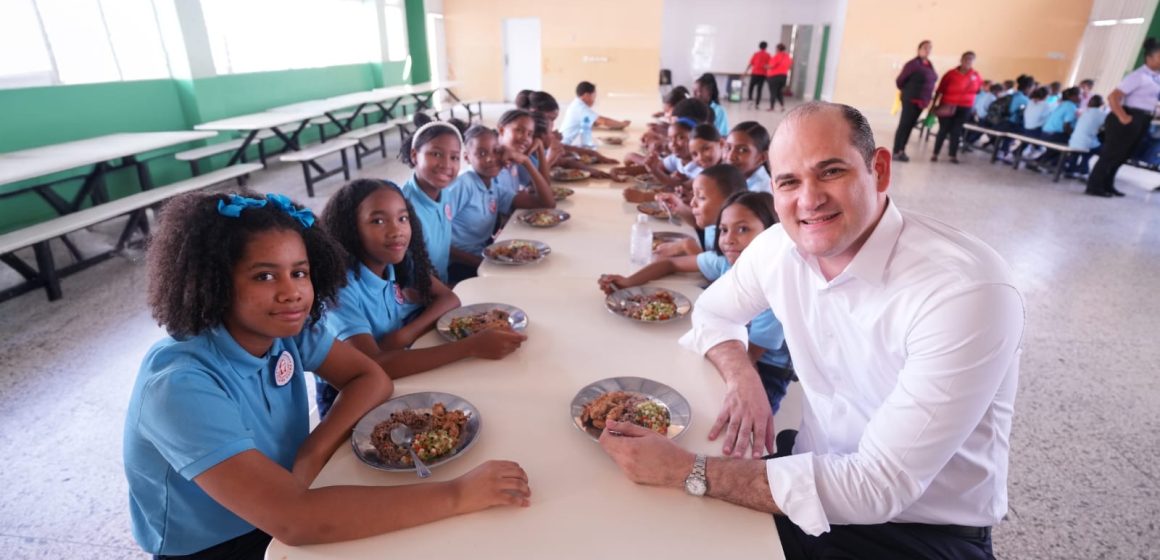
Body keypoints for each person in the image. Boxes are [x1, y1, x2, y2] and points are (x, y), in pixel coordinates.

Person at [597, 101, 1023, 559]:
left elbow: (880, 486)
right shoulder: (780, 247)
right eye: (789, 181)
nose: (809, 199)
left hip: (918, 528)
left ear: (879, 169)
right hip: (811, 466)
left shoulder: (964, 290)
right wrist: (743, 378)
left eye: (831, 171)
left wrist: (688, 470)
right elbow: (713, 314)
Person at [124, 191, 532, 558]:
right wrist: (458, 493)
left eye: (299, 272)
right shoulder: (179, 386)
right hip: (218, 543)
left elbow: (371, 378)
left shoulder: (285, 329)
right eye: (265, 276)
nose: (292, 292)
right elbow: (296, 521)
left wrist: (311, 451)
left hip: (295, 488)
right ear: (211, 281)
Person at [317, 179, 526, 412]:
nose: (396, 230)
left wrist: (404, 335)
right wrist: (471, 346)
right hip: (345, 396)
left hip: (395, 365)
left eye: (402, 218)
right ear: (351, 228)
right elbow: (374, 365)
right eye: (378, 221)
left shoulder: (396, 261)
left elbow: (449, 298)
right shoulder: (340, 290)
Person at [598, 191, 792, 413]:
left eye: (743, 229)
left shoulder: (774, 291)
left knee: (736, 420)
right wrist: (628, 282)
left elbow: (749, 358)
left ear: (770, 237)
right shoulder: (724, 262)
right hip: (730, 348)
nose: (729, 239)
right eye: (724, 230)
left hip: (766, 369)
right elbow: (671, 264)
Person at [447, 122, 555, 282]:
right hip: (458, 265)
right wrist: (484, 264)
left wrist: (526, 161)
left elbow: (547, 203)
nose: (491, 158)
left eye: (496, 151)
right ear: (467, 157)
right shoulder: (464, 185)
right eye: (481, 153)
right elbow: (437, 242)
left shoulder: (493, 186)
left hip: (483, 256)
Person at [1086, 38, 1160, 198]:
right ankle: (1094, 185)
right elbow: (1113, 97)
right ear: (1150, 57)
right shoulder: (1138, 76)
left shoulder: (1155, 77)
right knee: (1111, 153)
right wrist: (1123, 116)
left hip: (1143, 118)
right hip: (1127, 116)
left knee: (1124, 154)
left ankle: (1107, 184)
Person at [400, 113, 468, 282]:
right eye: (436, 154)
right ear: (415, 155)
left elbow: (441, 248)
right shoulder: (403, 207)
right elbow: (406, 276)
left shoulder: (444, 192)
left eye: (454, 157)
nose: (446, 164)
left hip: (443, 286)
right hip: (418, 301)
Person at [652, 163, 748, 257]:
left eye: (701, 197)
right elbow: (698, 224)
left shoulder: (735, 241)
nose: (692, 203)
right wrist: (678, 206)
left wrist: (688, 247)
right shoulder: (714, 222)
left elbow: (718, 271)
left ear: (728, 202)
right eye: (694, 195)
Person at [930, 51, 981, 163]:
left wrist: (974, 108)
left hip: (964, 107)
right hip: (947, 105)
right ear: (961, 59)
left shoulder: (976, 75)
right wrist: (933, 106)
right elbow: (940, 90)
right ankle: (935, 153)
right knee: (943, 130)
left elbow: (977, 91)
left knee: (956, 131)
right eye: (966, 58)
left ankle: (952, 155)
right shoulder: (951, 74)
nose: (968, 61)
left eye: (971, 59)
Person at [891, 40, 938, 162]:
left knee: (910, 126)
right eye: (925, 48)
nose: (927, 50)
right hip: (910, 100)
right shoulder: (913, 64)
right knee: (904, 125)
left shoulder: (928, 64)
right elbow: (899, 81)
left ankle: (902, 150)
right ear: (919, 49)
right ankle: (896, 151)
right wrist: (909, 91)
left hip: (922, 101)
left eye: (929, 48)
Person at [560, 81, 630, 147]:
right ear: (586, 95)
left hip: (567, 142)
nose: (594, 100)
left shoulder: (576, 104)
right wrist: (622, 124)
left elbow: (594, 122)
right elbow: (604, 121)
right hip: (568, 144)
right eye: (594, 96)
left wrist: (615, 126)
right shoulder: (581, 108)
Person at [725, 121, 772, 193]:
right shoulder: (732, 179)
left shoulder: (761, 191)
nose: (730, 156)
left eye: (742, 150)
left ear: (762, 157)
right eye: (728, 148)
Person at [1065, 95, 1105, 178]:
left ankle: (1071, 170)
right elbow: (1104, 127)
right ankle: (1083, 170)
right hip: (1087, 143)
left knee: (1078, 151)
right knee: (1100, 150)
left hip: (1073, 141)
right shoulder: (1102, 114)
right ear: (1101, 104)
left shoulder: (1084, 112)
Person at [745, 41, 772, 108]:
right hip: (763, 74)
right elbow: (770, 66)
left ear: (759, 46)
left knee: (751, 87)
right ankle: (757, 104)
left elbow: (751, 64)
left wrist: (745, 72)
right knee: (759, 89)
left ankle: (750, 100)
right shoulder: (768, 55)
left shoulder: (756, 54)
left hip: (755, 73)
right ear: (766, 47)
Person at [767, 43, 793, 111]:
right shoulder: (788, 57)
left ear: (778, 49)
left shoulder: (776, 56)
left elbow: (771, 66)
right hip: (783, 77)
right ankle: (782, 106)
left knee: (773, 92)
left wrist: (765, 66)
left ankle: (772, 107)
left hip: (774, 76)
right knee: (779, 92)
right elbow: (790, 67)